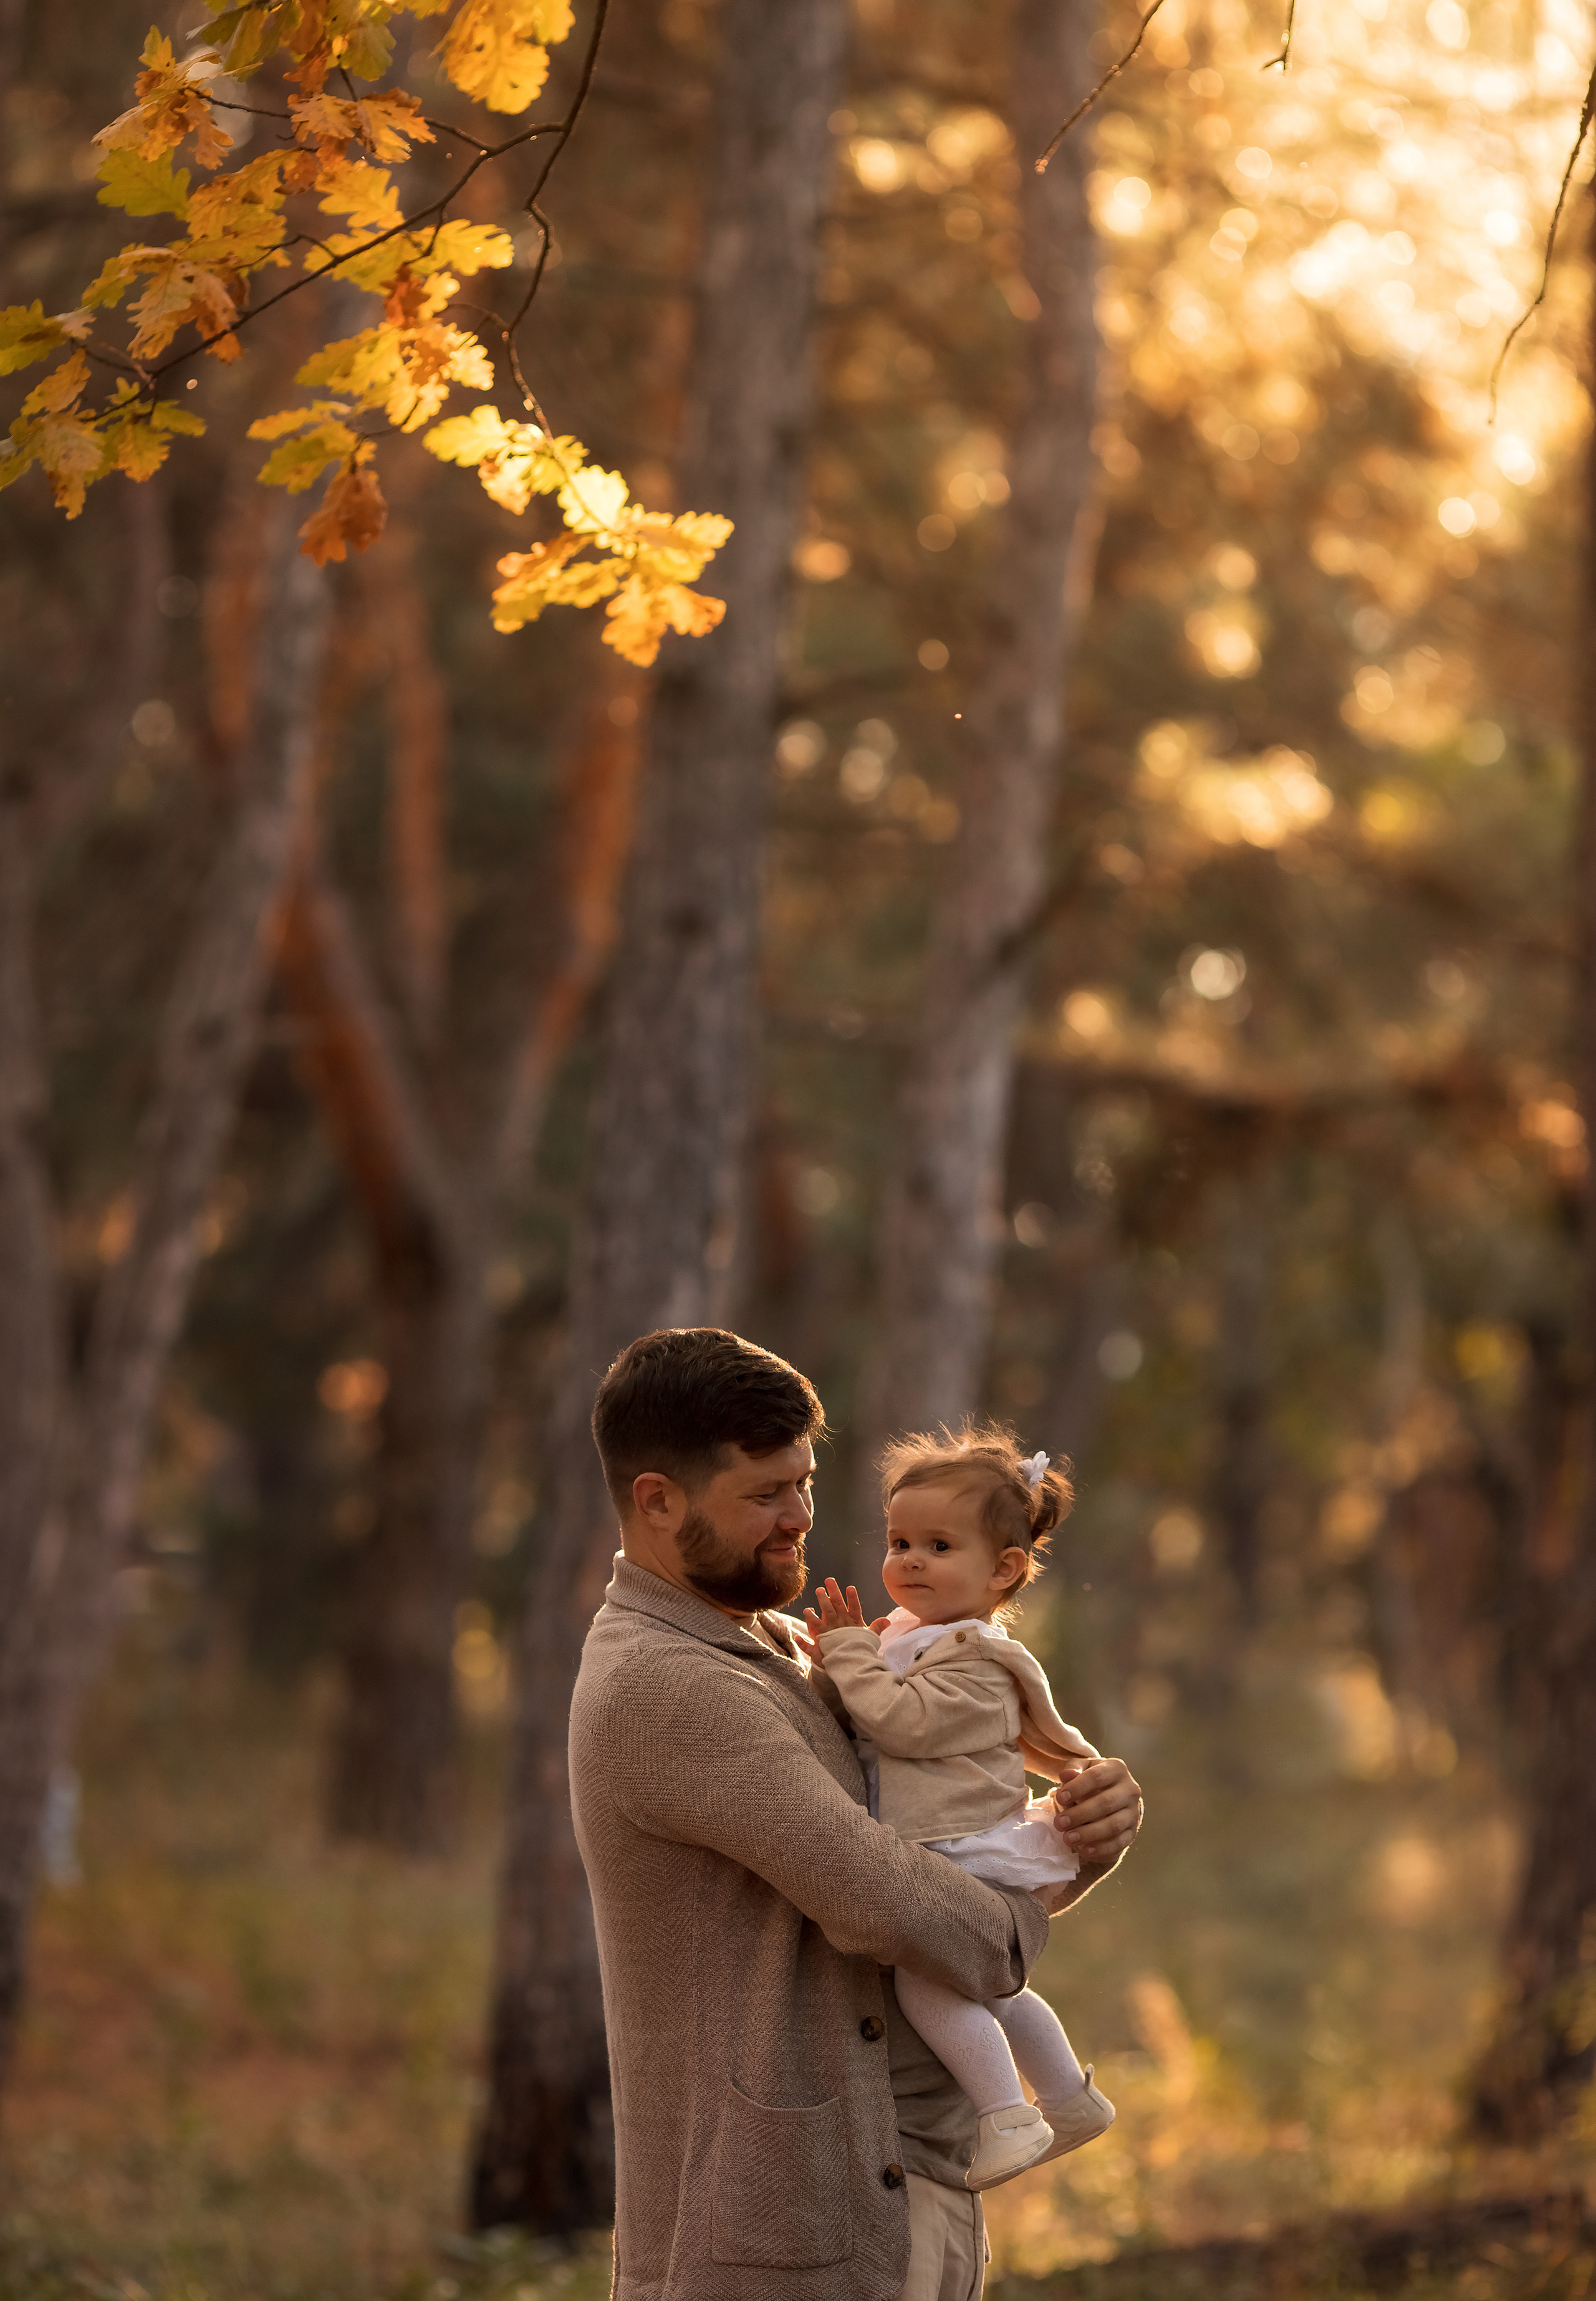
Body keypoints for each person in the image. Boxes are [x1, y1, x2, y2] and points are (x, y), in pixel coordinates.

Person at [568, 1327, 1143, 2301]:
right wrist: (1018, 1916)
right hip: (784, 2229)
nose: (799, 1516)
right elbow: (881, 1895)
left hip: (899, 2181)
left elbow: (939, 1842)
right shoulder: (664, 1683)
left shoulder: (793, 1644)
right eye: (764, 1493)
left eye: (805, 1481)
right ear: (657, 1499)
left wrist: (1079, 1829)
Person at [800, 1423, 1116, 2195]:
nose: (908, 1559)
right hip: (940, 1840)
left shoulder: (975, 1658)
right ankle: (1072, 2100)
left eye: (938, 1546)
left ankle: (1007, 2114)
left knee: (928, 1984)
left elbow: (900, 1722)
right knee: (996, 1991)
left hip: (960, 1845)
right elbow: (863, 1723)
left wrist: (848, 1657)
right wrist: (842, 1661)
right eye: (899, 1540)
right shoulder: (915, 1636)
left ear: (1003, 1568)